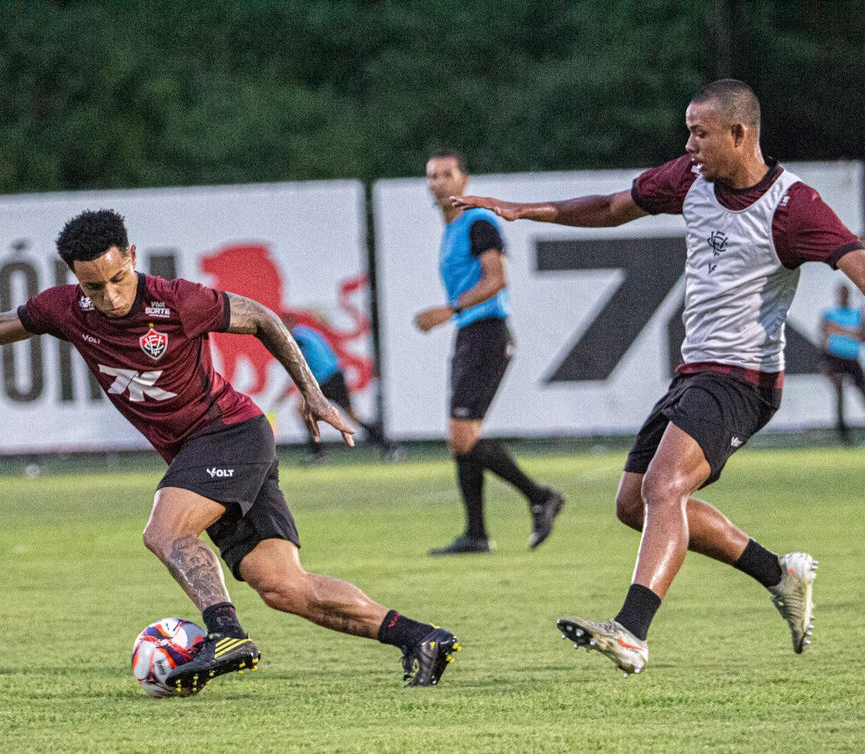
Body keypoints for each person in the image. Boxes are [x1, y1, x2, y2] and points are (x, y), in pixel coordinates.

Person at [0, 209, 459, 690]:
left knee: (165, 531)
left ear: (131, 256)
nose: (108, 296)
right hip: (208, 449)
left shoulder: (176, 300)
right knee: (285, 588)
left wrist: (312, 395)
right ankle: (421, 638)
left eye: (116, 279)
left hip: (230, 433)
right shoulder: (65, 309)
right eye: (92, 286)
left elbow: (263, 319)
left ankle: (225, 632)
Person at [452, 79, 865, 675]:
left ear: (739, 134)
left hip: (744, 379)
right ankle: (779, 573)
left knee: (664, 487)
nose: (689, 143)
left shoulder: (793, 206)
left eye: (700, 132)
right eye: (687, 131)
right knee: (633, 505)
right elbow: (614, 208)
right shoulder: (690, 179)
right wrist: (526, 211)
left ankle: (632, 631)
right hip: (695, 373)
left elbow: (855, 262)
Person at [417, 148, 565, 555]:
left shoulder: (477, 221)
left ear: (464, 180)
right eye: (432, 176)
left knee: (462, 436)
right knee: (461, 438)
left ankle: (540, 496)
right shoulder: (451, 228)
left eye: (447, 174)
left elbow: (496, 279)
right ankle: (477, 534)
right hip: (471, 334)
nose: (439, 182)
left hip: (486, 334)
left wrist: (449, 309)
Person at [269, 314, 405, 465]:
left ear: (288, 325)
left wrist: (282, 396)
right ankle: (389, 446)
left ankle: (318, 453)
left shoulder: (296, 339)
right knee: (351, 416)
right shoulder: (305, 332)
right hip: (335, 375)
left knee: (305, 412)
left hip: (324, 380)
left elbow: (297, 368)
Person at [819, 283, 865, 445]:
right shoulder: (830, 313)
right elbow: (824, 336)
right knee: (839, 395)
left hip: (852, 358)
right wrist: (825, 363)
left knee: (863, 393)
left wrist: (839, 330)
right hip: (835, 357)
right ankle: (843, 434)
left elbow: (862, 335)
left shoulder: (857, 314)